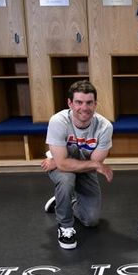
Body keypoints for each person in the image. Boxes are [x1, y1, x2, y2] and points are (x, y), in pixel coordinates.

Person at [41, 80, 114, 249]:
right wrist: (63, 163)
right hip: (63, 168)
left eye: (89, 103)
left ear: (95, 104)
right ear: (70, 103)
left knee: (91, 220)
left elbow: (96, 162)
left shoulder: (104, 127)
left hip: (70, 165)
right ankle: (65, 226)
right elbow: (88, 164)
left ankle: (66, 202)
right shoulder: (58, 121)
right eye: (79, 102)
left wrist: (61, 161)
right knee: (67, 180)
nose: (84, 107)